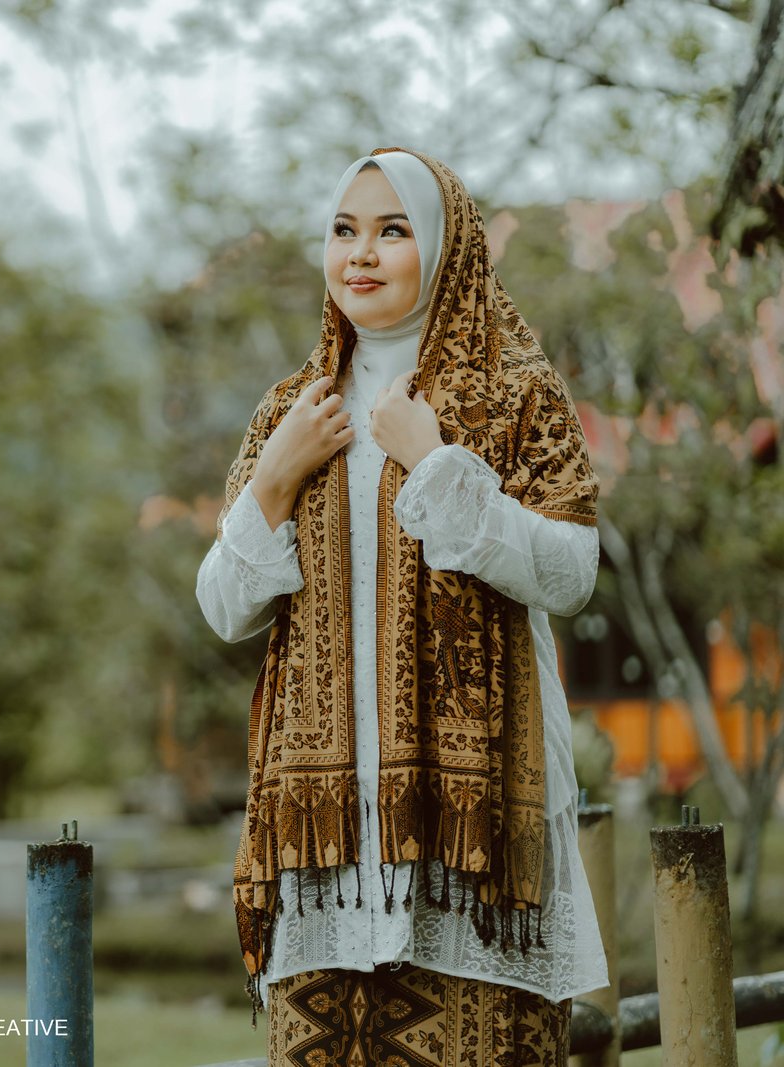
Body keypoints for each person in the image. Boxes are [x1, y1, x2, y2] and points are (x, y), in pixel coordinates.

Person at [196, 148, 608, 1065]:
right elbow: (223, 606)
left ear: (449, 248)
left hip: (473, 865)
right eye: (344, 230)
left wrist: (437, 462)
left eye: (394, 230)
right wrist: (274, 480)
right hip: (324, 863)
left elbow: (572, 574)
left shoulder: (514, 394)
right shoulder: (291, 410)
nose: (361, 253)